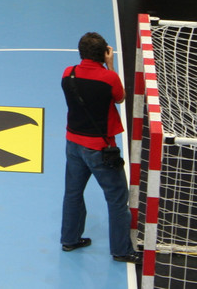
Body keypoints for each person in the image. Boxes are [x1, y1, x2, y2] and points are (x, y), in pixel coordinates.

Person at [60, 32, 140, 264]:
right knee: (117, 198)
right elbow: (120, 97)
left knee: (73, 193)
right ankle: (121, 250)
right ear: (104, 53)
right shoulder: (108, 78)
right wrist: (111, 65)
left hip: (73, 143)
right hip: (99, 147)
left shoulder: (68, 73)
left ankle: (70, 239)